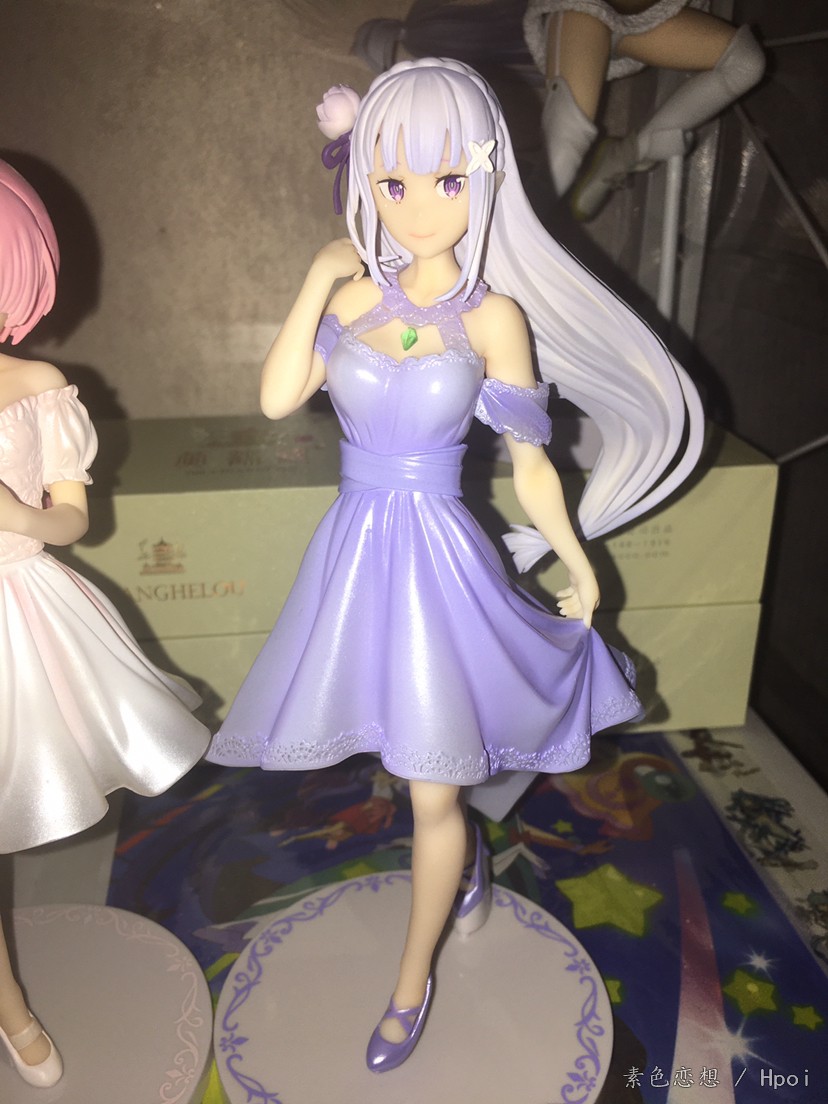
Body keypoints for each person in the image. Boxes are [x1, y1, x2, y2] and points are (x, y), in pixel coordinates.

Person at [207, 58, 703, 1071]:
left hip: (436, 557)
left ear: (484, 180)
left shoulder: (493, 317)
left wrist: (580, 562)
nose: (420, 205)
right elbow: (275, 398)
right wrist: (315, 278)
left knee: (432, 785)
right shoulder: (351, 296)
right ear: (363, 179)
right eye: (393, 180)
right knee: (398, 753)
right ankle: (467, 862)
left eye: (446, 179)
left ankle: (410, 980)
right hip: (353, 556)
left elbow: (532, 464)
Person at [0, 159, 210, 1088]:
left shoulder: (37, 385)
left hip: (16, 606)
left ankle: (13, 1013)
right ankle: (11, 1006)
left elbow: (75, 517)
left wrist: (19, 515)